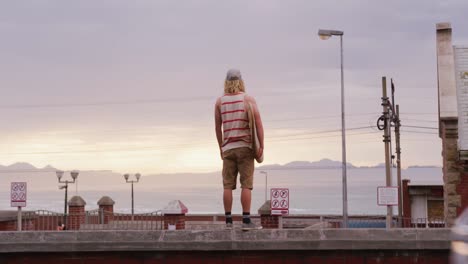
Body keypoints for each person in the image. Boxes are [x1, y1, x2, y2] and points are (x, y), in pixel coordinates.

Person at [214, 69, 264, 230]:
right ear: (241, 81)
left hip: (228, 148)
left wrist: (221, 147)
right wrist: (261, 146)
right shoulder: (248, 99)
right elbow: (258, 124)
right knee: (246, 185)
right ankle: (246, 221)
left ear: (226, 82)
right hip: (245, 147)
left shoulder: (220, 102)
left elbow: (217, 127)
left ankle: (228, 221)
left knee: (227, 185)